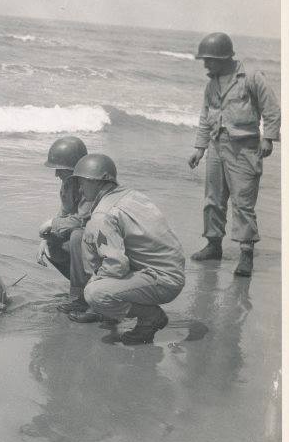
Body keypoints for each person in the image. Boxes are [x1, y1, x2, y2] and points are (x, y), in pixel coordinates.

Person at [187, 32, 280, 277]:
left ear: (224, 57)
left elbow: (271, 109)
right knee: (213, 199)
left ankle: (246, 254)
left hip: (245, 148)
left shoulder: (251, 77)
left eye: (209, 59)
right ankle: (213, 245)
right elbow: (205, 117)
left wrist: (268, 138)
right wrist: (200, 148)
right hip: (217, 146)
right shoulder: (211, 84)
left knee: (243, 202)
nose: (205, 64)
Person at [68, 154, 186, 345]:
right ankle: (122, 310)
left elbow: (116, 265)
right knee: (84, 239)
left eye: (83, 182)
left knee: (95, 294)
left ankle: (151, 317)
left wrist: (96, 283)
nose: (80, 188)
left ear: (98, 182)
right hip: (170, 271)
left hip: (163, 280)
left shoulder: (103, 213)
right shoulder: (131, 195)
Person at [35, 136, 97, 317]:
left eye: (60, 169)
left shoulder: (90, 184)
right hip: (86, 240)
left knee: (77, 237)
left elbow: (84, 220)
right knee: (52, 247)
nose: (56, 174)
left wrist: (52, 224)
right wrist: (47, 238)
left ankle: (81, 297)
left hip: (99, 241)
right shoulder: (68, 184)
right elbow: (65, 214)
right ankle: (86, 289)